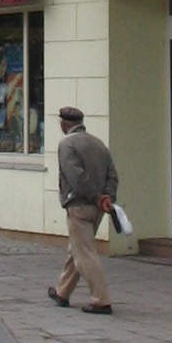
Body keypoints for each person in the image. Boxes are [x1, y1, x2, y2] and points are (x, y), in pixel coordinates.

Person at [49, 105, 119, 314]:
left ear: (64, 124)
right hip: (97, 208)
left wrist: (96, 196)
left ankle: (101, 300)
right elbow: (112, 175)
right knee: (77, 250)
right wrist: (107, 197)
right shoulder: (98, 144)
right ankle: (62, 292)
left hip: (79, 205)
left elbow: (76, 177)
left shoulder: (67, 144)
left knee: (85, 254)